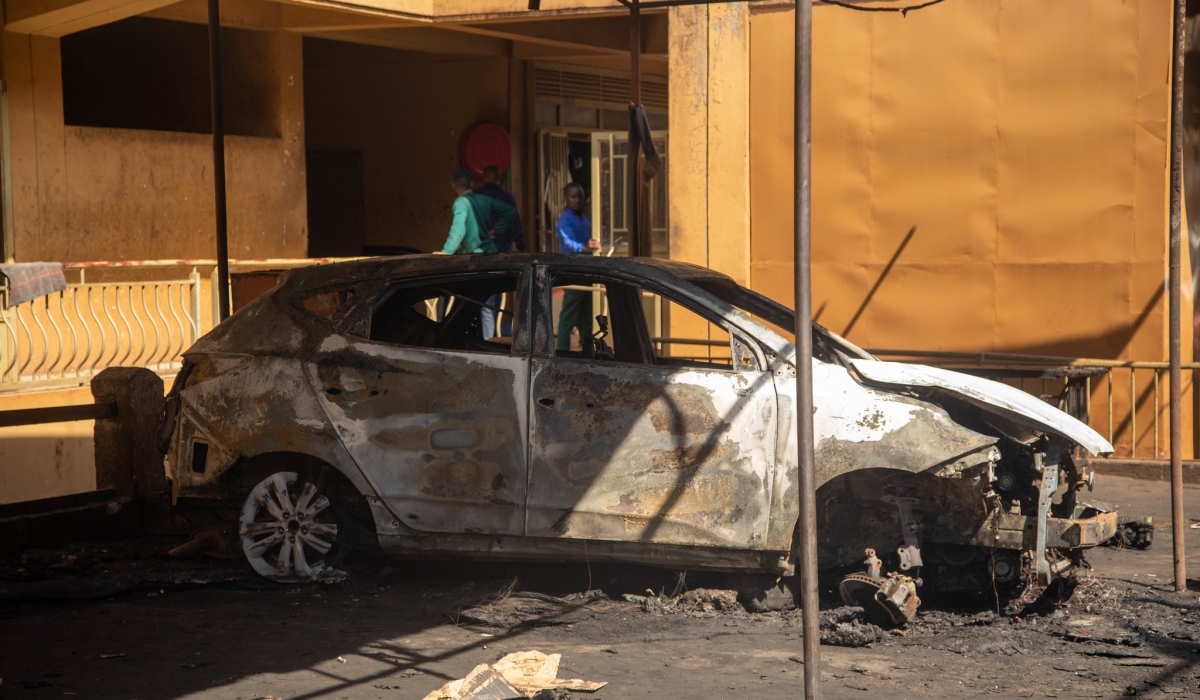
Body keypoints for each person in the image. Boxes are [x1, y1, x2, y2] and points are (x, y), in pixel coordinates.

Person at [435, 168, 515, 339]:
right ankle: (488, 344)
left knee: (463, 304)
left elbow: (458, 230)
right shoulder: (484, 199)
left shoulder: (461, 203)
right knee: (487, 306)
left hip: (471, 261)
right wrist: (497, 229)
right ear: (472, 184)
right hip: (490, 257)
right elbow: (509, 211)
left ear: (453, 186)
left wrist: (446, 252)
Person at [555, 182, 601, 352]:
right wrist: (586, 247)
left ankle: (588, 354)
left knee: (586, 319)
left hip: (587, 272)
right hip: (574, 272)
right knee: (568, 318)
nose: (577, 200)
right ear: (566, 198)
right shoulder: (565, 221)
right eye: (573, 196)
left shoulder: (584, 218)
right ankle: (561, 356)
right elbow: (568, 244)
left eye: (580, 196)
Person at [475, 165, 525, 253]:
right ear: (499, 178)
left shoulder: (474, 197)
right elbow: (514, 222)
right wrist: (520, 244)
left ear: (484, 177)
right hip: (502, 247)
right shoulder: (506, 197)